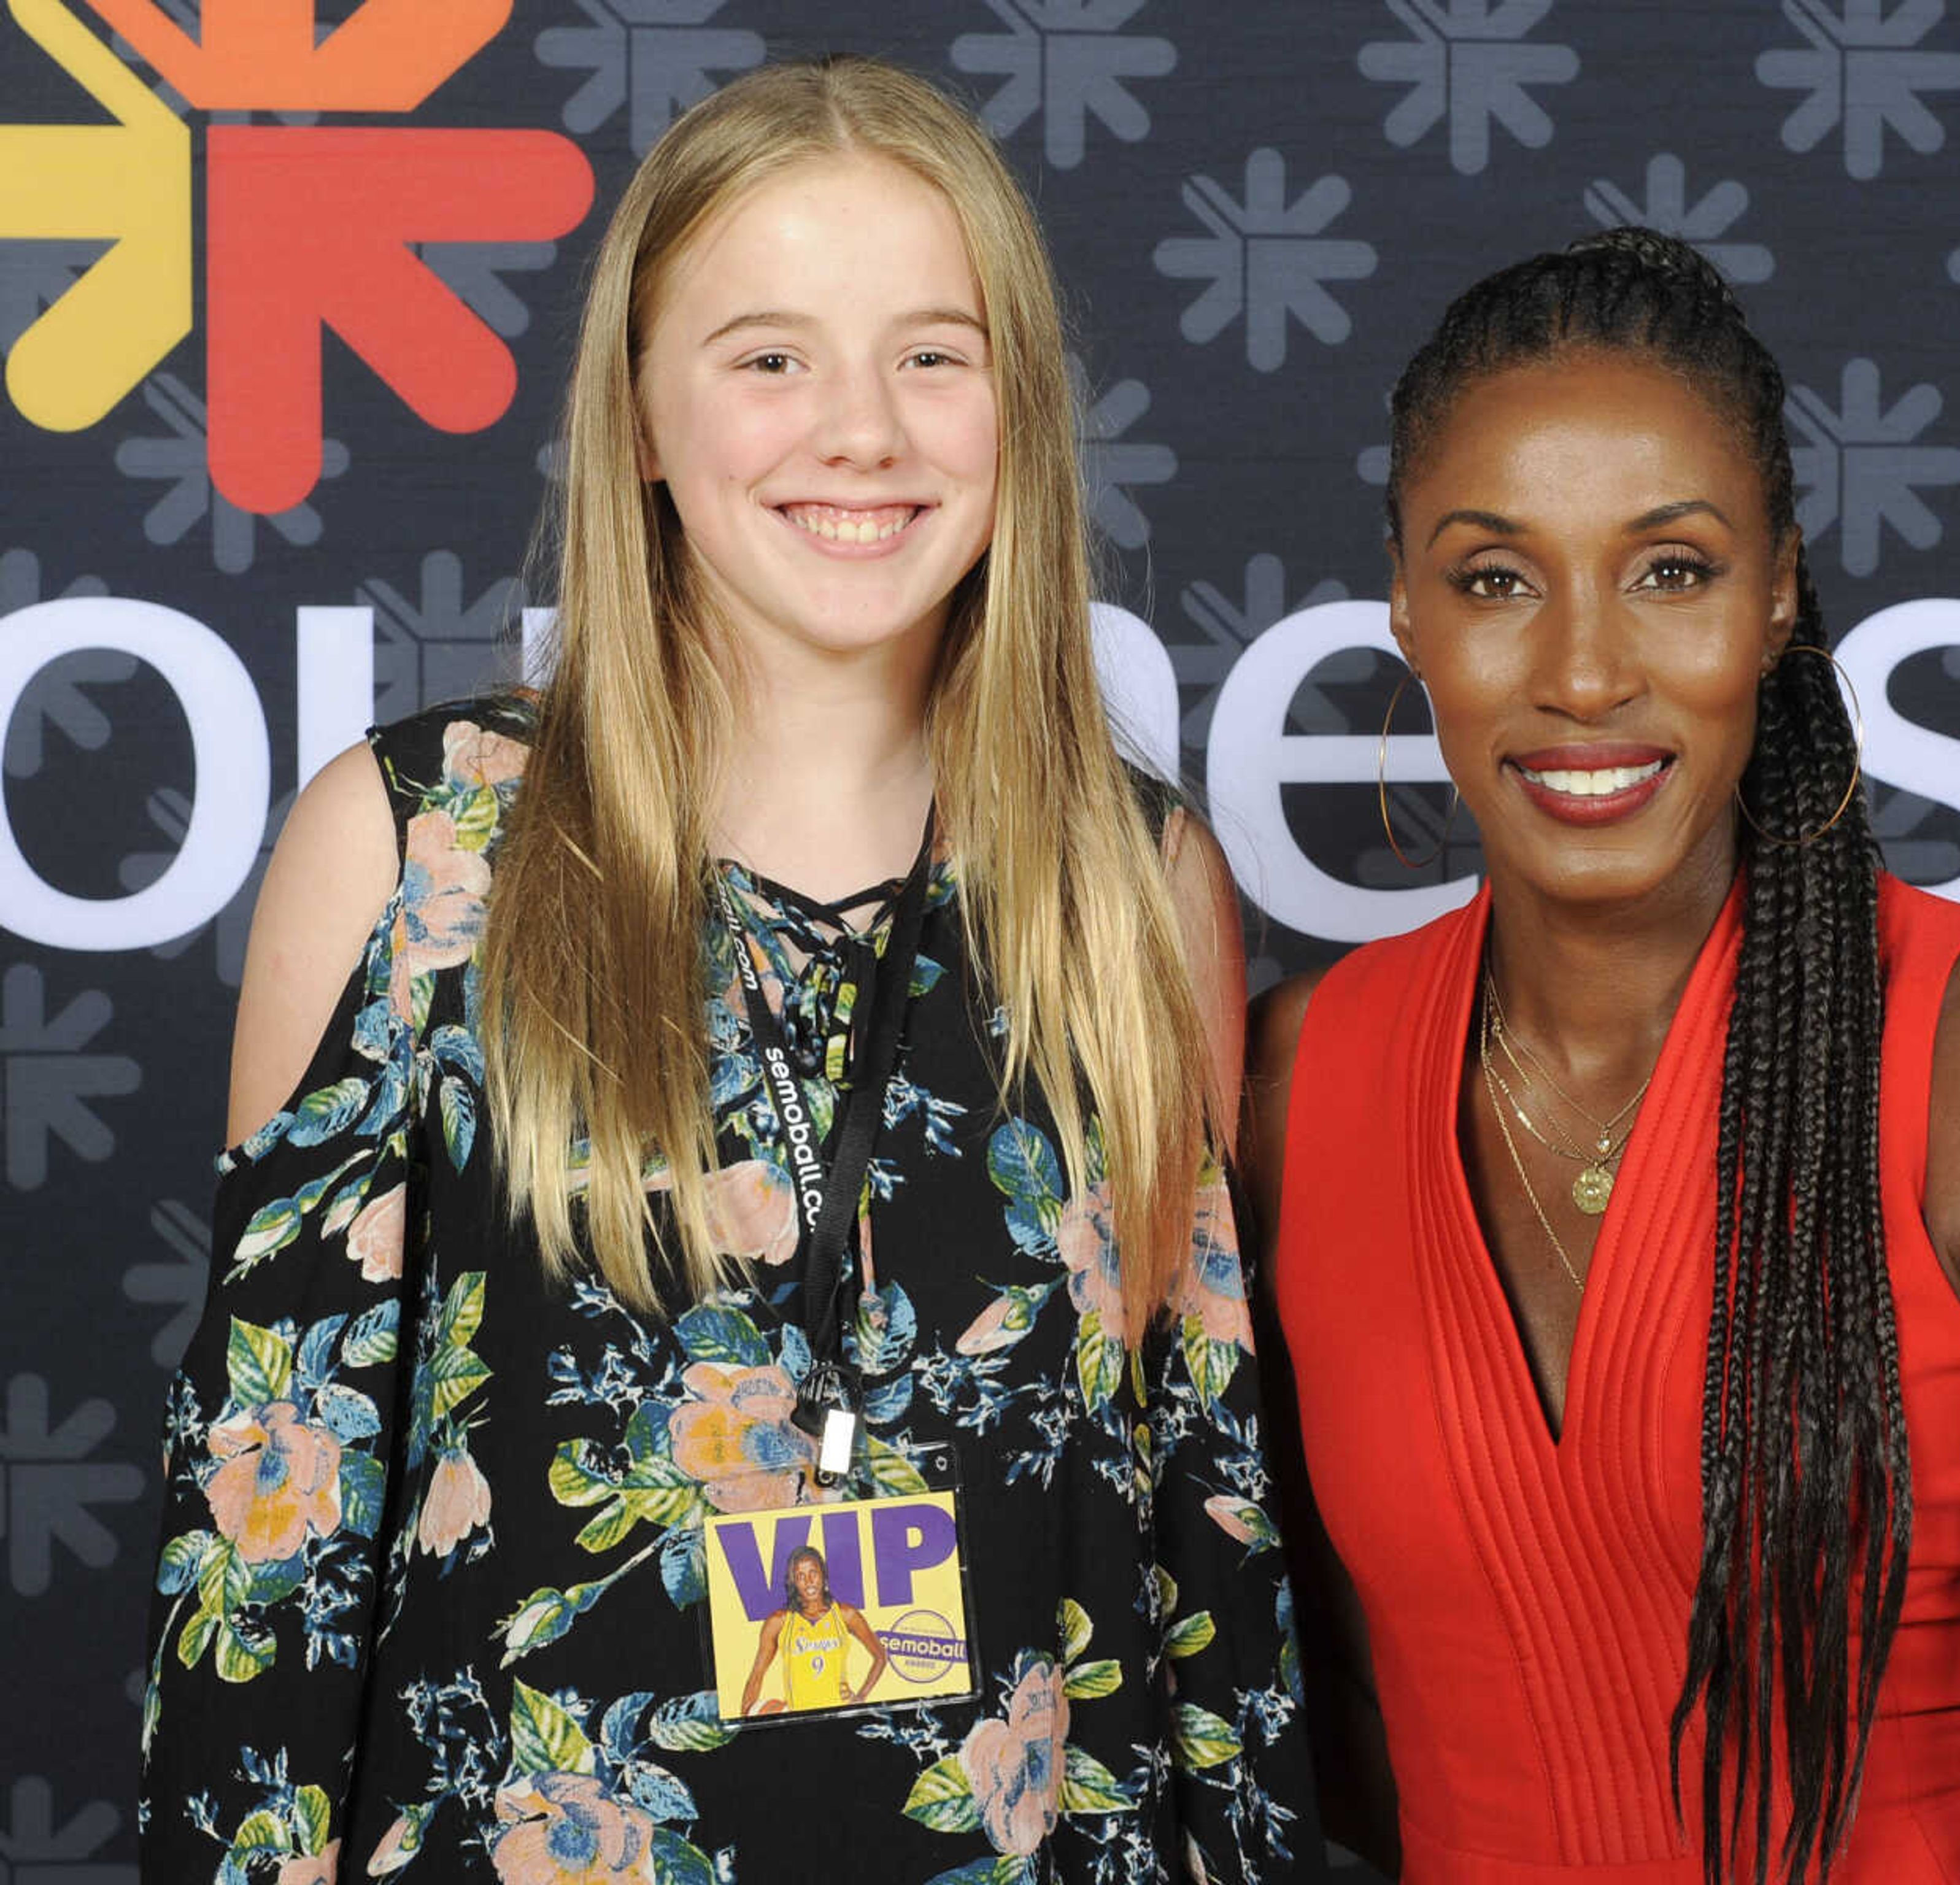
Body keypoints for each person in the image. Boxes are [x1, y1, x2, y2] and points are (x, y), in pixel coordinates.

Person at [142, 57, 1317, 1883]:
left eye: (934, 354)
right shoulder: (420, 850)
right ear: (639, 416)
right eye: (769, 358)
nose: (860, 432)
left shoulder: (1135, 884)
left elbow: (1201, 1550)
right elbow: (267, 1561)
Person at [1244, 228, 1960, 1884]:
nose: (1583, 673)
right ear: (1408, 608)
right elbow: (1323, 1733)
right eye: (1497, 579)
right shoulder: (1296, 1081)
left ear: (1779, 591)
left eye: (1672, 571)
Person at [741, 1548, 886, 1715]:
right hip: (798, 1717)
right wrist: (744, 1720)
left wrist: (861, 1697)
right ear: (793, 1582)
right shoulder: (779, 1622)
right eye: (800, 1576)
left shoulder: (846, 1615)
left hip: (839, 1712)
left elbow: (880, 1656)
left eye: (813, 1573)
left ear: (823, 1575)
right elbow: (757, 1676)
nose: (809, 1581)